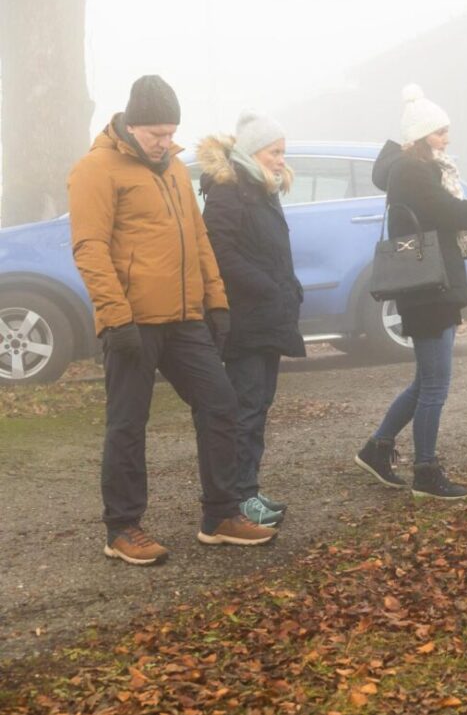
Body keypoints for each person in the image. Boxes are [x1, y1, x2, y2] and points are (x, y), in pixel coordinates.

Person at [68, 75, 277, 565]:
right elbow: (90, 248)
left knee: (220, 404)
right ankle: (122, 528)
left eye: (171, 133)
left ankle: (220, 515)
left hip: (184, 320)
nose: (165, 142)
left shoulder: (175, 170)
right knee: (128, 423)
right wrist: (115, 317)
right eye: (156, 134)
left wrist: (216, 302)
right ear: (131, 125)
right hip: (132, 322)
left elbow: (198, 239)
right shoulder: (96, 169)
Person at [354, 84, 467, 498]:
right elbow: (451, 212)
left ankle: (377, 449)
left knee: (425, 381)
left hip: (432, 286)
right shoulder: (412, 171)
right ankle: (426, 472)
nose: (447, 139)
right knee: (435, 385)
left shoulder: (416, 170)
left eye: (446, 130)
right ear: (420, 137)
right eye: (439, 132)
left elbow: (441, 218)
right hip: (428, 291)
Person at [196, 111, 306, 527]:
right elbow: (219, 253)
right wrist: (267, 286)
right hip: (244, 319)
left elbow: (272, 252)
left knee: (259, 405)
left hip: (268, 316)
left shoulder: (262, 189)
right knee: (245, 408)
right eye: (274, 152)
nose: (281, 159)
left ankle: (250, 488)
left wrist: (287, 288)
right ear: (253, 151)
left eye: (282, 152)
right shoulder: (229, 191)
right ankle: (239, 497)